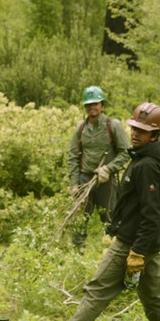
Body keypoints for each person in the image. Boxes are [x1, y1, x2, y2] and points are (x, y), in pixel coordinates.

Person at [67, 102, 160, 321]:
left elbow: (152, 215)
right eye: (134, 129)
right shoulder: (141, 159)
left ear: (155, 135)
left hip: (133, 244)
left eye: (142, 131)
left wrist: (137, 251)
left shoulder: (147, 166)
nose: (135, 134)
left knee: (97, 290)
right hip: (143, 244)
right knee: (154, 298)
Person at [67, 86, 129, 246]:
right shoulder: (80, 129)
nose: (91, 107)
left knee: (110, 218)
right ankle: (78, 252)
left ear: (102, 105)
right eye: (88, 104)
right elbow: (73, 157)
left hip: (106, 181)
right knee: (80, 217)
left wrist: (108, 168)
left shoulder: (113, 125)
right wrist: (74, 184)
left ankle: (113, 250)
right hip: (84, 179)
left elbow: (126, 152)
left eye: (95, 104)